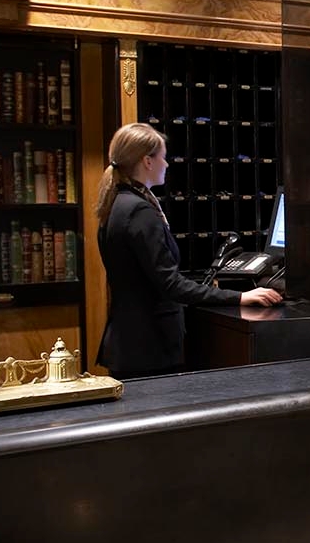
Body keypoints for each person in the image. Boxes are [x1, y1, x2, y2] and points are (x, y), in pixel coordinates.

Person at [95, 123, 280, 378]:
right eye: (163, 157)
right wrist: (239, 297)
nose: (167, 164)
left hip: (128, 344)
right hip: (149, 348)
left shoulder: (116, 204)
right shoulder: (140, 211)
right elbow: (170, 285)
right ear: (147, 161)